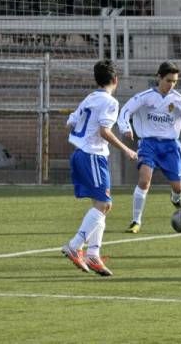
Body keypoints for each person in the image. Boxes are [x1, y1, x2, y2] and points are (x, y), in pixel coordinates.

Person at [61, 59, 137, 276]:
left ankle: (94, 254)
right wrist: (127, 150)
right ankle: (75, 246)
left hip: (81, 153)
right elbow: (104, 131)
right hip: (92, 155)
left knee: (104, 204)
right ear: (116, 80)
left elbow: (69, 123)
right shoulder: (111, 103)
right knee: (103, 204)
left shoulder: (90, 98)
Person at [117, 61, 181, 233]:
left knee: (178, 188)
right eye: (168, 80)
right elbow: (125, 111)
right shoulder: (145, 97)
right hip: (148, 144)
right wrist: (125, 127)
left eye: (174, 81)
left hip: (171, 147)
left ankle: (175, 199)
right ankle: (136, 221)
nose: (171, 85)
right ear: (159, 77)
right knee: (144, 181)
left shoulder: (180, 101)